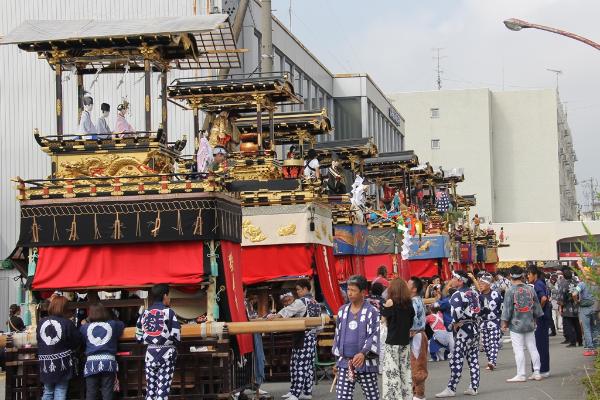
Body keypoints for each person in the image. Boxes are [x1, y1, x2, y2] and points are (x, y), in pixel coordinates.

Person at [269, 279, 320, 400]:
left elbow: (288, 310)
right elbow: (319, 324)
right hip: (311, 336)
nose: (297, 292)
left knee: (299, 366)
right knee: (305, 365)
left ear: (306, 289)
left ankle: (295, 393)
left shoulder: (301, 301)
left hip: (303, 336)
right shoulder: (315, 301)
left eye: (298, 289)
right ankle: (307, 392)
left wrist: (276, 316)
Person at [332, 275, 380, 400]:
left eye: (353, 290)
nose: (350, 293)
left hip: (365, 362)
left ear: (363, 292)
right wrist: (337, 360)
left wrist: (363, 353)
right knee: (342, 397)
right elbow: (338, 335)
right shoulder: (342, 311)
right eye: (348, 289)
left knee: (372, 397)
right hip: (345, 362)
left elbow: (374, 335)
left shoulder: (372, 311)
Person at [435, 270, 481, 398]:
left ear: (460, 281)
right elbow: (478, 310)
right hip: (474, 328)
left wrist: (455, 323)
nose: (452, 280)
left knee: (456, 359)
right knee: (473, 359)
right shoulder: (474, 292)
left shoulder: (457, 295)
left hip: (463, 331)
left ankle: (451, 387)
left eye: (454, 278)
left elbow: (456, 313)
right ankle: (474, 386)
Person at [136, 284, 181, 400]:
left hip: (150, 353)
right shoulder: (169, 312)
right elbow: (176, 335)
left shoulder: (145, 313)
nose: (169, 299)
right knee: (162, 389)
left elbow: (138, 336)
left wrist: (148, 341)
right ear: (165, 295)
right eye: (168, 296)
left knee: (150, 390)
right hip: (166, 353)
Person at [501, 266, 544, 383]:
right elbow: (537, 307)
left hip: (516, 324)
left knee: (518, 349)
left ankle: (521, 374)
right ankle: (537, 372)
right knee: (533, 348)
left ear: (510, 276)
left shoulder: (510, 291)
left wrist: (504, 323)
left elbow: (507, 309)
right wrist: (535, 319)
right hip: (529, 322)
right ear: (522, 275)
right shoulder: (530, 289)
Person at [37, 295, 82, 400]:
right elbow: (76, 341)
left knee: (47, 391)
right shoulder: (67, 323)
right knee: (60, 391)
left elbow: (39, 340)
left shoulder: (41, 322)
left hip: (45, 362)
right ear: (64, 308)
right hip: (62, 362)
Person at [80, 303, 125, 400]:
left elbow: (82, 340)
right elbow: (122, 324)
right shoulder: (112, 324)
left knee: (91, 392)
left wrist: (86, 321)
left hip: (91, 364)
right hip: (108, 362)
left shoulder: (85, 327)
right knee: (107, 391)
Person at [381, 278, 415, 400]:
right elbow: (411, 323)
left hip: (392, 343)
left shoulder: (390, 302)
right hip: (405, 342)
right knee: (405, 373)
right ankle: (407, 397)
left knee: (392, 374)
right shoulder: (409, 305)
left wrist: (386, 308)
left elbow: (383, 320)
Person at [526, 266, 551, 377]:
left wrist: (537, 311)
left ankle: (541, 370)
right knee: (542, 344)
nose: (528, 276)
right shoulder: (540, 283)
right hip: (544, 317)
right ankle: (543, 369)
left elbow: (544, 298)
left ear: (535, 274)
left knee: (538, 344)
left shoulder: (537, 284)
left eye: (529, 274)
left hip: (541, 318)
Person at [408, 277, 428, 400]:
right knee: (416, 364)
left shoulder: (414, 301)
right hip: (418, 334)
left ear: (414, 289)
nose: (406, 285)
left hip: (415, 334)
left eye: (408, 284)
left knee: (417, 365)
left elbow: (411, 316)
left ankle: (418, 394)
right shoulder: (418, 300)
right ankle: (417, 393)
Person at [478, 273, 503, 371]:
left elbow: (502, 308)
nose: (480, 285)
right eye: (480, 283)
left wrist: (502, 322)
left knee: (493, 342)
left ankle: (492, 361)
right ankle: (491, 361)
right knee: (486, 344)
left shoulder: (496, 294)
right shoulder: (478, 296)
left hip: (495, 322)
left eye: (482, 283)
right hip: (483, 323)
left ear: (488, 284)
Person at [574, 267, 599, 356]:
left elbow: (574, 293)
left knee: (587, 328)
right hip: (596, 308)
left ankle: (590, 349)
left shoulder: (582, 284)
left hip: (585, 309)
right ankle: (597, 348)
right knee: (595, 328)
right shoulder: (596, 283)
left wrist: (576, 301)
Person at [559, 268, 583, 347]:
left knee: (569, 325)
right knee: (577, 325)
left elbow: (562, 297)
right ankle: (580, 341)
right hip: (575, 305)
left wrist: (560, 307)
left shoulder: (564, 284)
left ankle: (572, 342)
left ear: (564, 275)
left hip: (567, 307)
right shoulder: (576, 282)